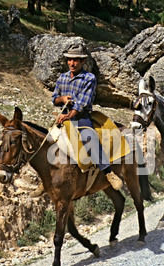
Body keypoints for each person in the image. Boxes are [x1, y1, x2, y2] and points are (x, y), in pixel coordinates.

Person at [51, 44, 123, 190]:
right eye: (70, 60)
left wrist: (69, 114)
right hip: (63, 116)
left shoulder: (89, 78)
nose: (72, 63)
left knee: (89, 138)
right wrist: (63, 99)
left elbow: (84, 102)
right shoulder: (62, 78)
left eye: (75, 60)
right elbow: (54, 99)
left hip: (81, 117)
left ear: (82, 61)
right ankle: (46, 178)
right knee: (46, 141)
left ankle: (109, 173)